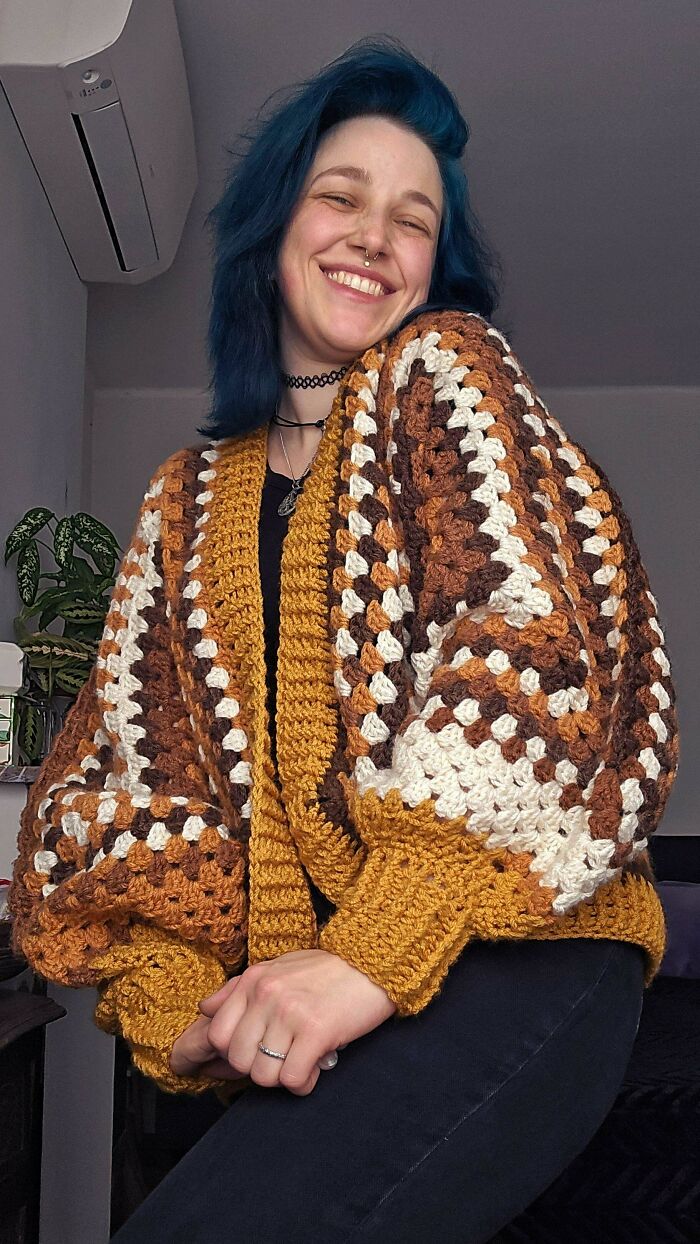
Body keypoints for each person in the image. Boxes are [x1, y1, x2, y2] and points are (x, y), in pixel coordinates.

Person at [10, 36, 678, 1244]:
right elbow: (135, 789)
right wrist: (184, 1003)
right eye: (339, 195)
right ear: (275, 229)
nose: (374, 233)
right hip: (322, 997)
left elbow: (537, 653)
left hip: (514, 946)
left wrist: (374, 947)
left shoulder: (445, 371)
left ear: (435, 265)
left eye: (411, 217)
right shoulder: (182, 501)